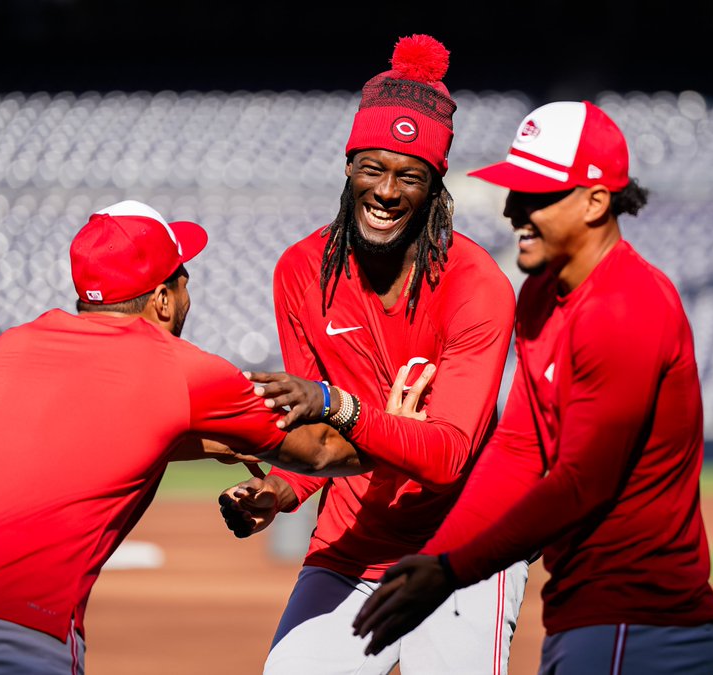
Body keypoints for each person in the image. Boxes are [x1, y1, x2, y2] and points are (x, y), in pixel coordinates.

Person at [0, 200, 361, 675]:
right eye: (183, 282)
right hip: (14, 621)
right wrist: (388, 425)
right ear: (163, 299)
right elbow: (320, 450)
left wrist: (218, 444)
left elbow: (88, 435)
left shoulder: (12, 345)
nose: (189, 297)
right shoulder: (178, 367)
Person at [353, 101, 713, 674]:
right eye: (514, 190)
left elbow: (582, 483)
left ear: (597, 202)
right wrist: (432, 560)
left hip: (642, 620)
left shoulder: (626, 307)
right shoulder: (541, 296)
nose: (512, 210)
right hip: (590, 616)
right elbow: (518, 450)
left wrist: (452, 571)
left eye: (537, 195)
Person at [217, 34, 527, 674]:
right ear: (348, 166)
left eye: (409, 176)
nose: (386, 191)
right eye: (372, 168)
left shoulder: (478, 288)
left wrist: (340, 405)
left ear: (436, 185)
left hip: (463, 549)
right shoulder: (302, 272)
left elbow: (444, 455)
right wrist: (281, 489)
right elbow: (317, 443)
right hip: (352, 544)